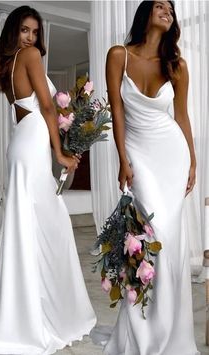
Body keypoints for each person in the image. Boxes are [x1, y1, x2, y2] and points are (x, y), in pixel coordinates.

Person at [0, 5, 96, 354]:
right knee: (48, 221)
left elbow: (38, 108)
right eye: (24, 30)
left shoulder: (7, 65)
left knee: (32, 222)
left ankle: (30, 305)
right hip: (32, 140)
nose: (30, 37)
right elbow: (46, 106)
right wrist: (59, 153)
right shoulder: (28, 56)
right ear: (13, 32)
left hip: (22, 141)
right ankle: (42, 311)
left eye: (35, 32)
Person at [102, 1, 199, 354]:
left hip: (172, 155)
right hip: (139, 157)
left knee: (169, 244)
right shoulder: (119, 55)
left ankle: (171, 331)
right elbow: (116, 109)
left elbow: (182, 116)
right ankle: (142, 332)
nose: (167, 10)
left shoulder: (177, 65)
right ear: (145, 13)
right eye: (160, 5)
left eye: (171, 9)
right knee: (146, 241)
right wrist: (123, 159)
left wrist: (192, 161)